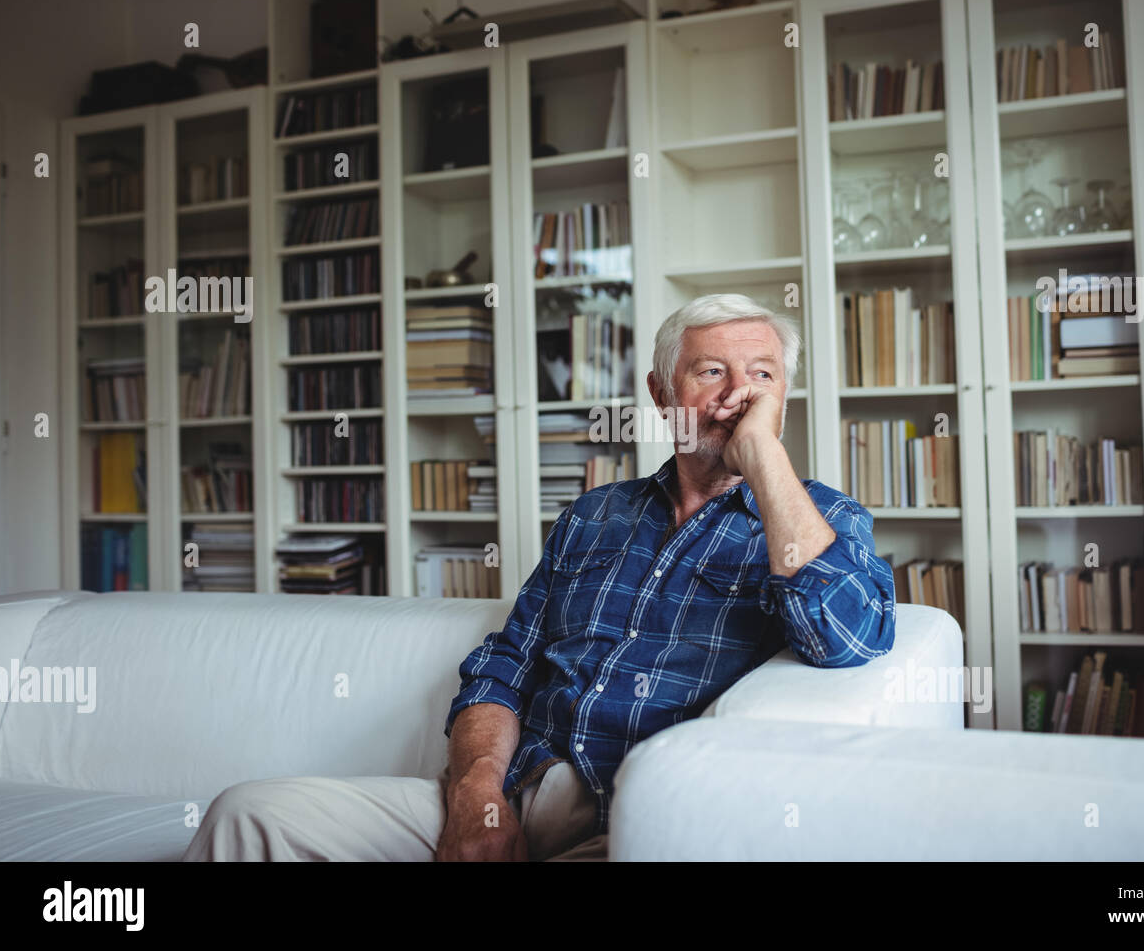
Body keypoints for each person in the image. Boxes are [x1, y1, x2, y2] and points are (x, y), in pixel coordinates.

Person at [182, 293, 896, 862]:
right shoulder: (594, 515)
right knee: (250, 817)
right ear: (660, 392)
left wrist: (762, 457)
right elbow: (504, 666)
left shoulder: (819, 520)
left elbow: (849, 641)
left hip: (636, 819)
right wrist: (475, 795)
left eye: (763, 376)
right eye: (711, 372)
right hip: (512, 788)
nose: (738, 393)